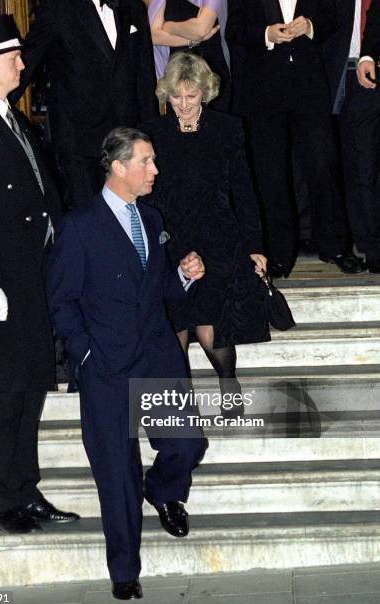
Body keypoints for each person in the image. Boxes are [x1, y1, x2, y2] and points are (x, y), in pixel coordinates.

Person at [46, 127, 208, 600]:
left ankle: (161, 489)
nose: (154, 170)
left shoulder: (151, 217)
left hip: (156, 357)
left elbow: (156, 291)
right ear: (118, 167)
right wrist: (87, 352)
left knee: (187, 444)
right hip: (107, 367)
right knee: (116, 474)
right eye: (146, 161)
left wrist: (182, 274)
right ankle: (124, 571)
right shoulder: (80, 227)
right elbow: (60, 302)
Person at [0, 16, 78, 533]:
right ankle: (5, 500)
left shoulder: (11, 117)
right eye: (13, 59)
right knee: (5, 391)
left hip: (34, 274)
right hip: (3, 280)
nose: (23, 66)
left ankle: (26, 488)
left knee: (31, 386)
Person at [140, 52, 270, 416]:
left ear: (205, 93)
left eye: (191, 97)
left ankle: (228, 386)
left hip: (217, 238)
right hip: (169, 240)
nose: (182, 105)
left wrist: (254, 246)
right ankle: (180, 408)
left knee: (213, 324)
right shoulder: (152, 133)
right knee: (174, 324)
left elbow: (244, 191)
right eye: (176, 96)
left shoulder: (227, 129)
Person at [226, 0, 366, 277]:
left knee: (323, 166)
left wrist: (311, 27)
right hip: (263, 90)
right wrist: (267, 34)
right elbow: (235, 29)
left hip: (309, 85)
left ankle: (335, 247)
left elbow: (333, 20)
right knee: (270, 174)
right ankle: (279, 254)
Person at [9, 0, 158, 209]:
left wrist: (151, 134)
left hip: (126, 139)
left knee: (127, 219)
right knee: (87, 223)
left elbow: (145, 77)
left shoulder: (132, 6)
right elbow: (26, 64)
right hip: (77, 143)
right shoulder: (58, 8)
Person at [148, 0, 231, 111]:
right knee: (179, 119)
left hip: (211, 67)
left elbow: (200, 30)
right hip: (176, 71)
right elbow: (153, 36)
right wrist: (192, 41)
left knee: (214, 119)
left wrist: (169, 26)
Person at [352, 0, 380, 272]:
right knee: (366, 169)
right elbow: (376, 18)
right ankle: (375, 248)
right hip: (373, 83)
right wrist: (367, 56)